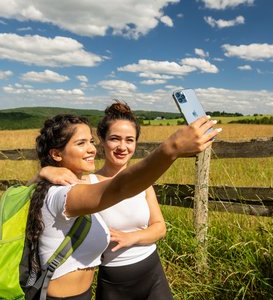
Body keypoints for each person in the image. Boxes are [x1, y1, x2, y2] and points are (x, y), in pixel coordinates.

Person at [29, 111, 220, 299]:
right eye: (81, 143)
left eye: (90, 142)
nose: (91, 149)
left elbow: (158, 225)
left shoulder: (69, 187)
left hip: (112, 283)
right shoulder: (70, 191)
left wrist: (43, 172)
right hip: (86, 289)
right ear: (56, 153)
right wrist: (172, 147)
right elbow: (119, 188)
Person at [40, 101, 179, 299]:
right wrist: (46, 170)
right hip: (114, 281)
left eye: (129, 140)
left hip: (152, 272)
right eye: (115, 139)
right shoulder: (87, 183)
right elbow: (46, 192)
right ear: (102, 141)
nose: (123, 147)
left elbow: (160, 227)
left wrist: (131, 237)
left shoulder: (142, 183)